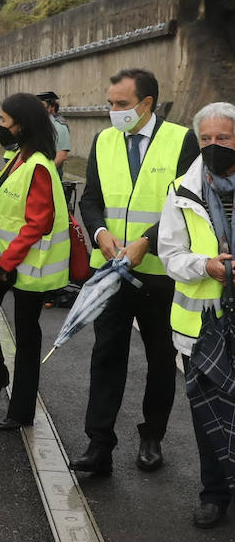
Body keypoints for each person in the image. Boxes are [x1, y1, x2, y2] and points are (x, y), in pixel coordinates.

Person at [69, 68, 199, 476]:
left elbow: (187, 204)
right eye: (110, 104)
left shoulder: (181, 140)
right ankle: (99, 444)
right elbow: (91, 199)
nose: (113, 112)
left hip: (162, 273)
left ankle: (152, 436)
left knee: (162, 358)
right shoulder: (104, 140)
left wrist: (148, 240)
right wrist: (101, 232)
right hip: (112, 270)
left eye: (121, 105)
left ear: (147, 104)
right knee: (106, 355)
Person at [0, 94, 69, 431]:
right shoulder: (17, 158)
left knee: (28, 338)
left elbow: (37, 223)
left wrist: (6, 263)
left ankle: (22, 410)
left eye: (4, 119)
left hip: (24, 267)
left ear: (21, 125)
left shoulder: (39, 165)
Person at [157, 101, 235, 529]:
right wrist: (208, 265)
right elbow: (170, 255)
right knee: (208, 414)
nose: (214, 146)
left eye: (223, 138)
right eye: (206, 139)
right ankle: (214, 493)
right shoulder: (181, 191)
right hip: (202, 326)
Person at [37, 91, 72, 170]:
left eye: (42, 106)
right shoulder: (36, 125)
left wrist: (47, 171)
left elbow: (62, 155)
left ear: (51, 107)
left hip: (50, 173)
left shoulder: (59, 126)